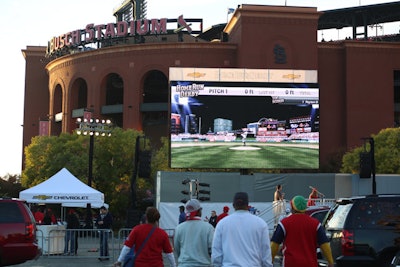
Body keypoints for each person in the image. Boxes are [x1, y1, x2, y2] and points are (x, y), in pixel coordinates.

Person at [212, 192, 273, 267]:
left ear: (233, 205)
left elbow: (216, 254)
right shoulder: (261, 224)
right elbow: (266, 253)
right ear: (248, 205)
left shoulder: (222, 224)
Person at [270, 195, 334, 267]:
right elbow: (324, 245)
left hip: (290, 263)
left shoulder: (284, 223)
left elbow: (275, 244)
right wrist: (330, 262)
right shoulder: (315, 224)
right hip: (310, 264)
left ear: (292, 207)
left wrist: (270, 260)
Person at [174, 199, 215, 267]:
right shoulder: (208, 227)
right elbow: (212, 249)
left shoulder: (179, 228)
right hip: (203, 264)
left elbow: (177, 248)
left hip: (184, 264)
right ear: (199, 211)